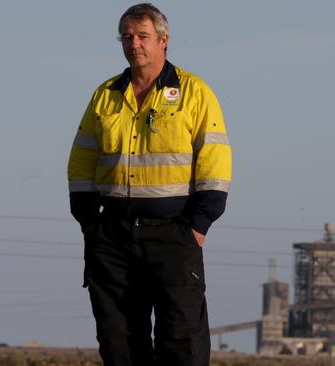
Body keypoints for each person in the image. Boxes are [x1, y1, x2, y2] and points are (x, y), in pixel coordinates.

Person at [67, 3, 231, 365]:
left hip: (174, 234)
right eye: (127, 37)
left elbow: (215, 161)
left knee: (182, 341)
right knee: (118, 342)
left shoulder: (194, 92)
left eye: (143, 36)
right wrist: (88, 220)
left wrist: (199, 225)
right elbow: (82, 157)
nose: (134, 44)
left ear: (163, 40)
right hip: (112, 236)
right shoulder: (106, 94)